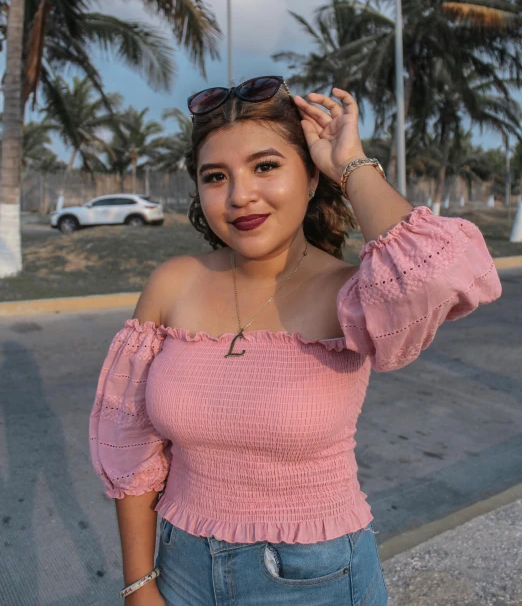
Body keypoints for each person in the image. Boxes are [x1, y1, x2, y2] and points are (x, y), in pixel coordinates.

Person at [89, 77, 502, 606]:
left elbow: (445, 271)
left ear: (310, 178)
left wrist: (350, 163)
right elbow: (131, 442)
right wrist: (139, 584)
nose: (241, 196)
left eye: (266, 166)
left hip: (314, 578)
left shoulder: (350, 293)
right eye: (216, 176)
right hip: (180, 567)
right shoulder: (172, 284)